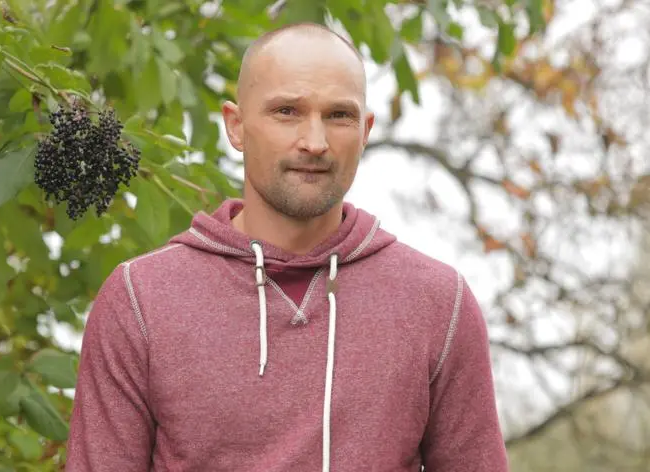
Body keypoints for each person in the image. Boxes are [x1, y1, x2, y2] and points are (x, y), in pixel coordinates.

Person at [65, 22, 508, 472]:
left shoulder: (437, 302)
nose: (315, 142)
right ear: (236, 126)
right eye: (287, 111)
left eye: (339, 115)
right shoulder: (141, 299)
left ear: (365, 130)